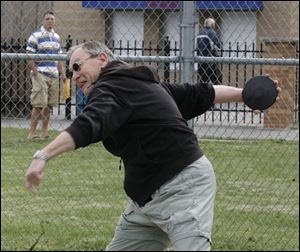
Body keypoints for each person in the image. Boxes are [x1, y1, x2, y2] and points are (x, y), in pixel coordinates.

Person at [25, 41, 280, 251]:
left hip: (183, 188)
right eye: (70, 71)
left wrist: (43, 155)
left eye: (78, 66)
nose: (75, 75)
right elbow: (201, 93)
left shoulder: (112, 86)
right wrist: (245, 94)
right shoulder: (139, 84)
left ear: (102, 59)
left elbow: (89, 124)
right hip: (146, 203)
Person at [26, 11, 66, 140]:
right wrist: (35, 72)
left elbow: (59, 57)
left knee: (49, 105)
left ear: (54, 21)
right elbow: (29, 55)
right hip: (40, 74)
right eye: (47, 19)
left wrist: (63, 73)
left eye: (52, 19)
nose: (50, 21)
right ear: (43, 21)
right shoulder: (35, 36)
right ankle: (31, 133)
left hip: (53, 75)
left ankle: (44, 132)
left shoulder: (57, 37)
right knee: (38, 104)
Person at [196, 18, 222, 85]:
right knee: (217, 80)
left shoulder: (199, 33)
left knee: (203, 81)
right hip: (210, 60)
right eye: (214, 24)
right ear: (212, 24)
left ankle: (201, 94)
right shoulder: (212, 33)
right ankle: (218, 94)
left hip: (200, 60)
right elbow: (217, 46)